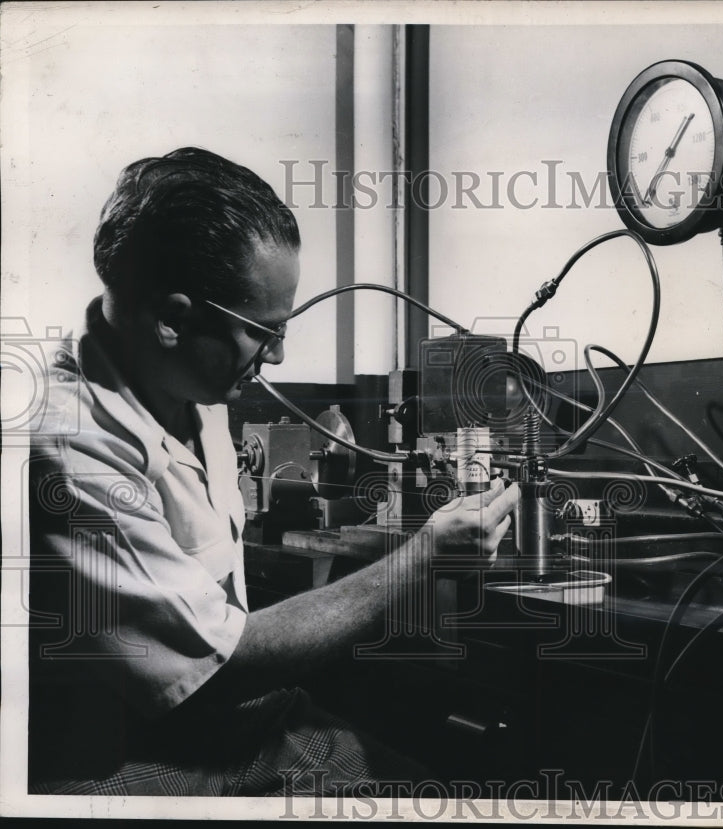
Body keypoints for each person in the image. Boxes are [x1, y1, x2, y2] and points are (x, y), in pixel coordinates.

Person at [28, 147, 518, 796]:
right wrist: (424, 555)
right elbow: (215, 667)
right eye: (264, 331)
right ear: (173, 319)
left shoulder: (188, 382)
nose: (279, 354)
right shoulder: (70, 446)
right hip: (129, 761)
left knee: (426, 788)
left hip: (240, 718)